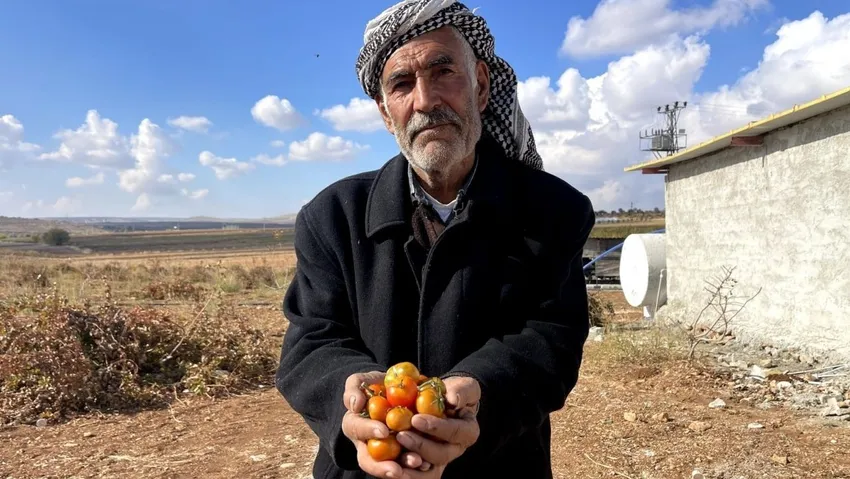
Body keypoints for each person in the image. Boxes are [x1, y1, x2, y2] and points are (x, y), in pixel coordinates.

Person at [275, 1, 595, 478]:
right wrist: (350, 393)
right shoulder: (332, 216)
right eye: (402, 84)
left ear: (482, 86)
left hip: (500, 463)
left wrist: (481, 390)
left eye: (443, 71)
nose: (425, 100)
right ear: (386, 113)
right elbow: (311, 341)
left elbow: (553, 339)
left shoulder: (553, 211)